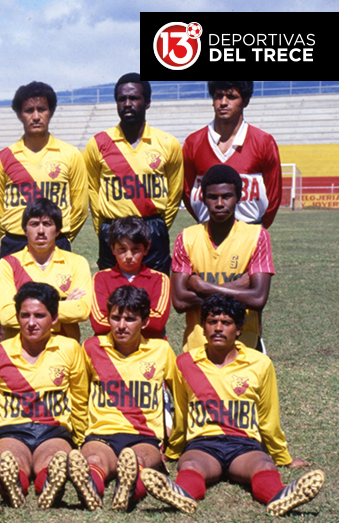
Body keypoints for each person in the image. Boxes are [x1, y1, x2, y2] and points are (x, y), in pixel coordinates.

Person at [142, 294, 324, 516]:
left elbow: (268, 418)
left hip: (244, 444)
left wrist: (282, 457)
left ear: (238, 329)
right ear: (203, 327)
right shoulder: (185, 363)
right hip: (203, 445)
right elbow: (181, 415)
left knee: (264, 465)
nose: (218, 328)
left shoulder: (260, 363)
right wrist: (172, 453)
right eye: (212, 322)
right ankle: (182, 495)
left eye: (226, 323)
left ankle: (280, 497)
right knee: (190, 466)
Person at [68, 286, 178, 511]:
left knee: (138, 462)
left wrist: (173, 443)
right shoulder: (91, 347)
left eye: (130, 319)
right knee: (95, 461)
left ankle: (128, 492)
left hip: (144, 436)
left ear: (145, 322)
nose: (121, 325)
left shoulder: (161, 350)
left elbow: (178, 396)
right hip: (101, 434)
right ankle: (91, 489)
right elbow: (79, 397)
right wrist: (79, 437)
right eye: (116, 318)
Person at [0, 282, 89, 509]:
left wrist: (81, 442)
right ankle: (13, 484)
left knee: (52, 460)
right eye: (25, 315)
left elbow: (79, 400)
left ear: (54, 318)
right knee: (12, 459)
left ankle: (50, 483)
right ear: (17, 317)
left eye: (39, 316)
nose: (31, 323)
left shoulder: (69, 348)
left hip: (54, 430)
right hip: (11, 430)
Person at [83, 73, 184, 275]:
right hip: (113, 229)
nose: (127, 104)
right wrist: (104, 230)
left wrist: (158, 227)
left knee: (154, 289)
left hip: (152, 229)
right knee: (113, 291)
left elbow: (175, 193)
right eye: (122, 99)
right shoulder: (98, 144)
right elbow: (93, 191)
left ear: (147, 102)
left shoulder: (167, 143)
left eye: (134, 98)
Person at [171, 165, 273, 352]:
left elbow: (258, 298)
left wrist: (202, 287)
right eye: (212, 197)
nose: (219, 203)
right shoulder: (186, 238)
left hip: (244, 347)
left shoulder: (257, 236)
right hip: (198, 348)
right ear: (203, 198)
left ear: (239, 197)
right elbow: (179, 301)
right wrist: (238, 287)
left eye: (226, 196)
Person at [0, 81, 89, 260]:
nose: (36, 116)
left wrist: (63, 236)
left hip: (57, 241)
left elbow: (80, 208)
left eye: (41, 109)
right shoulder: (3, 157)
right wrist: (7, 237)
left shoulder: (70, 154)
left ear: (51, 112)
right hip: (15, 242)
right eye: (29, 110)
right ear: (19, 115)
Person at [183, 81, 282, 228]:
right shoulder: (193, 142)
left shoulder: (264, 142)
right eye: (218, 96)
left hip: (250, 230)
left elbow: (273, 196)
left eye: (231, 97)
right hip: (207, 231)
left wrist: (258, 230)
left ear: (245, 101)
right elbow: (187, 192)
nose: (223, 103)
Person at [0, 198, 91, 342]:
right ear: (25, 230)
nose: (40, 231)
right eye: (34, 224)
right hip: (20, 349)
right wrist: (63, 304)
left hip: (63, 348)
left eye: (47, 224)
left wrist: (26, 309)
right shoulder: (8, 265)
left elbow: (82, 310)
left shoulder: (76, 262)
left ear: (58, 230)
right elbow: (6, 316)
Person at [89, 216, 171, 340]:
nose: (128, 256)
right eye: (122, 249)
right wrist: (137, 320)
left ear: (146, 248)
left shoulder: (159, 279)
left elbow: (158, 322)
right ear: (112, 248)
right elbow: (98, 323)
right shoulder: (101, 278)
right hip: (111, 347)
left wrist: (116, 319)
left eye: (135, 249)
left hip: (148, 346)